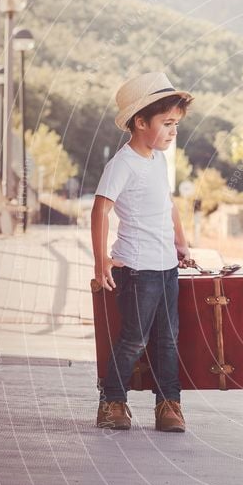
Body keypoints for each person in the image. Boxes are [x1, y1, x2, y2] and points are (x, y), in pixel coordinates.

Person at [91, 72, 193, 432]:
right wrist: (101, 258)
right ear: (139, 121)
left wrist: (180, 243)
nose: (172, 131)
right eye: (166, 123)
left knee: (168, 339)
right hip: (136, 270)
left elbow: (168, 204)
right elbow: (100, 208)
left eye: (176, 124)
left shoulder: (156, 160)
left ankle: (169, 405)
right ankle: (112, 402)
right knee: (134, 338)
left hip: (166, 268)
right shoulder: (123, 163)